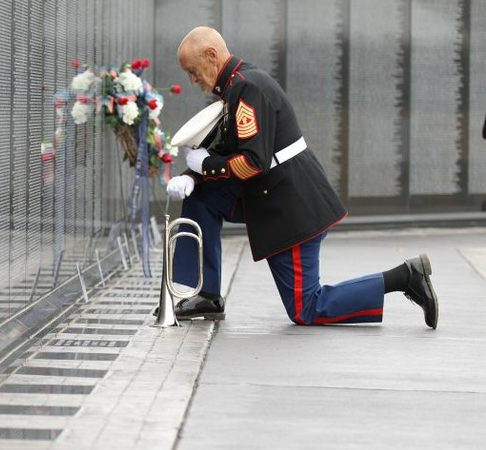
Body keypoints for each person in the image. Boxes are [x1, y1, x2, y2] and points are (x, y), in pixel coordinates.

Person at [164, 26, 439, 328]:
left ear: (212, 56)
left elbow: (254, 162)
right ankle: (206, 293)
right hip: (272, 195)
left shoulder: (246, 88)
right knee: (201, 198)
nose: (192, 79)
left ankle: (405, 276)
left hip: (289, 206)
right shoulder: (238, 84)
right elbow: (230, 148)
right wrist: (194, 176)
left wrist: (207, 166)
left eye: (192, 70)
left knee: (307, 308)